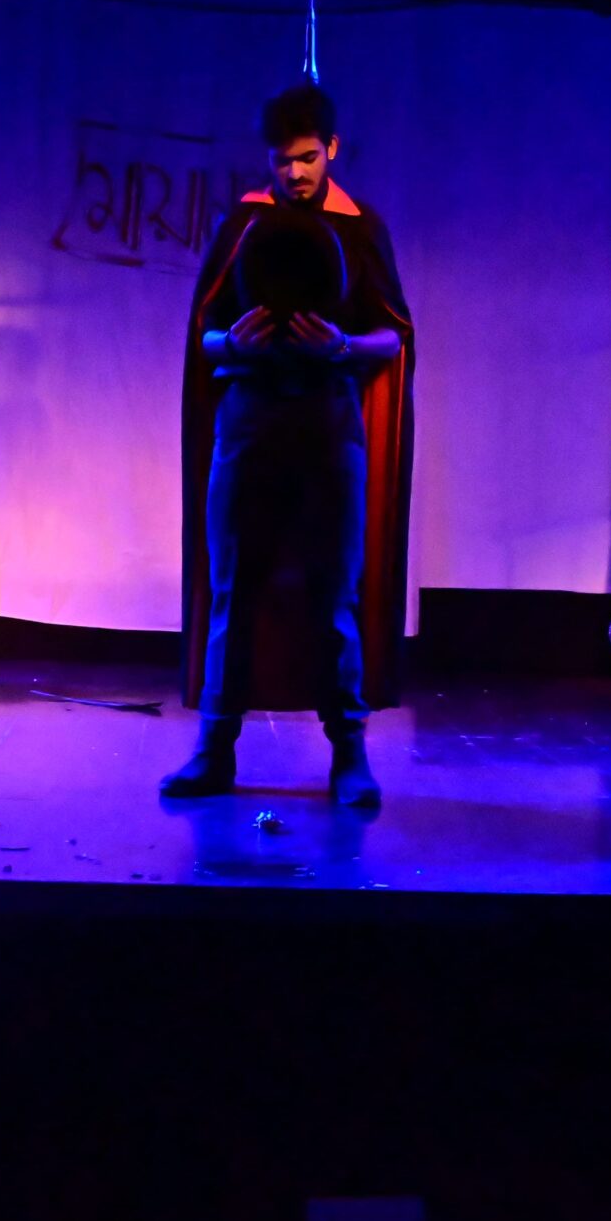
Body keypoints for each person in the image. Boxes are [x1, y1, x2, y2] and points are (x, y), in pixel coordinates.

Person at [165, 80, 417, 808]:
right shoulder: (245, 223)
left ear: (331, 149)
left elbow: (393, 334)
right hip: (248, 421)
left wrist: (341, 345)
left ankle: (350, 756)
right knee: (233, 587)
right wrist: (231, 343)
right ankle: (214, 750)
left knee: (335, 591)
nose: (296, 173)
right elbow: (204, 334)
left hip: (329, 422)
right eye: (283, 160)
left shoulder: (360, 226)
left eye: (308, 158)